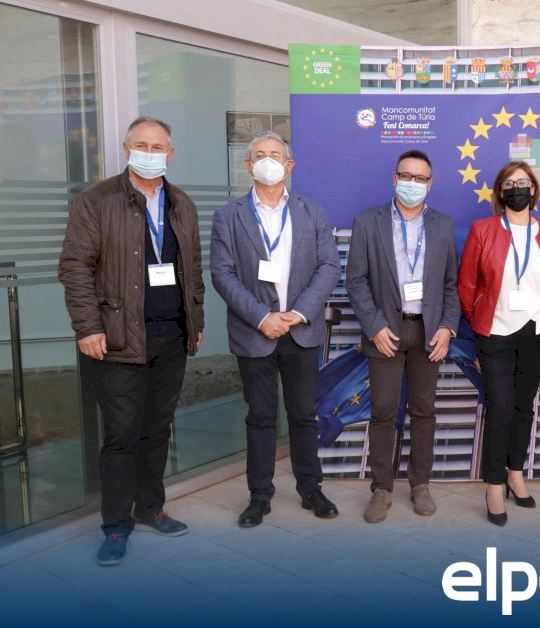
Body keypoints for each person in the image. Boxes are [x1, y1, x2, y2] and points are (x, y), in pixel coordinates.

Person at [58, 117, 205, 565]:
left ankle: (150, 508)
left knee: (157, 429)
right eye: (141, 145)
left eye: (158, 147)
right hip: (118, 337)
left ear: (170, 154)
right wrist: (88, 327)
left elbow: (193, 269)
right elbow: (75, 267)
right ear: (126, 149)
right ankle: (117, 525)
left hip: (171, 335)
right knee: (121, 435)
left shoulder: (181, 203)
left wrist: (195, 320)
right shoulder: (97, 200)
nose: (150, 153)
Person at [210, 130, 341, 528]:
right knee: (261, 417)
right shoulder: (228, 216)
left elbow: (329, 266)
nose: (268, 161)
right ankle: (259, 496)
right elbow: (222, 274)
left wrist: (298, 313)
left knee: (303, 414)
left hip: (301, 331)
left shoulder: (311, 211)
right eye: (259, 155)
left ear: (289, 165)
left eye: (275, 154)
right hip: (255, 333)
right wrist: (262, 317)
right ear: (248, 165)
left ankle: (310, 488)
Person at [345, 149, 460, 523]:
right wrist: (374, 326)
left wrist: (447, 327)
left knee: (423, 411)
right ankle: (381, 488)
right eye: (406, 176)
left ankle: (420, 484)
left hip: (428, 333)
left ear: (430, 183)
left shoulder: (443, 225)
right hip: (385, 331)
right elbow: (356, 281)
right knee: (383, 412)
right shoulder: (368, 222)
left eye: (420, 178)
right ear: (394, 179)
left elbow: (450, 284)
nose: (412, 183)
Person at [458, 161, 540, 526]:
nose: (517, 187)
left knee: (523, 406)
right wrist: (481, 322)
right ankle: (495, 485)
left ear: (534, 190)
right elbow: (467, 284)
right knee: (500, 407)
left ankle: (516, 472)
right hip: (496, 332)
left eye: (523, 182)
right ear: (500, 192)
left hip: (536, 331)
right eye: (509, 183)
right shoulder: (483, 229)